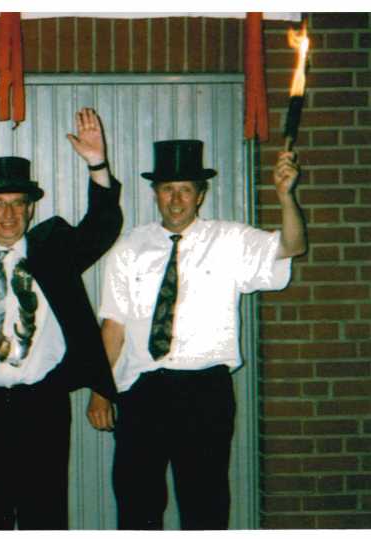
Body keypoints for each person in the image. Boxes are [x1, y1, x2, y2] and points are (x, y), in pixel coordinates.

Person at [92, 139, 307, 530]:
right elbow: (114, 325)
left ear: (201, 195)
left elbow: (292, 246)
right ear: (155, 193)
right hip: (142, 393)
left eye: (186, 190)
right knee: (137, 505)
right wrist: (100, 390)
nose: (176, 200)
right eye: (167, 189)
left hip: (204, 393)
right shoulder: (129, 247)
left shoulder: (230, 240)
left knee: (204, 508)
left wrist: (285, 196)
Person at [0, 107, 122, 530]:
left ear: (31, 209)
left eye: (18, 204)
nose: (8, 215)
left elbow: (103, 226)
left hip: (42, 407)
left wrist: (97, 164)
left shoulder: (54, 249)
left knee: (44, 516)